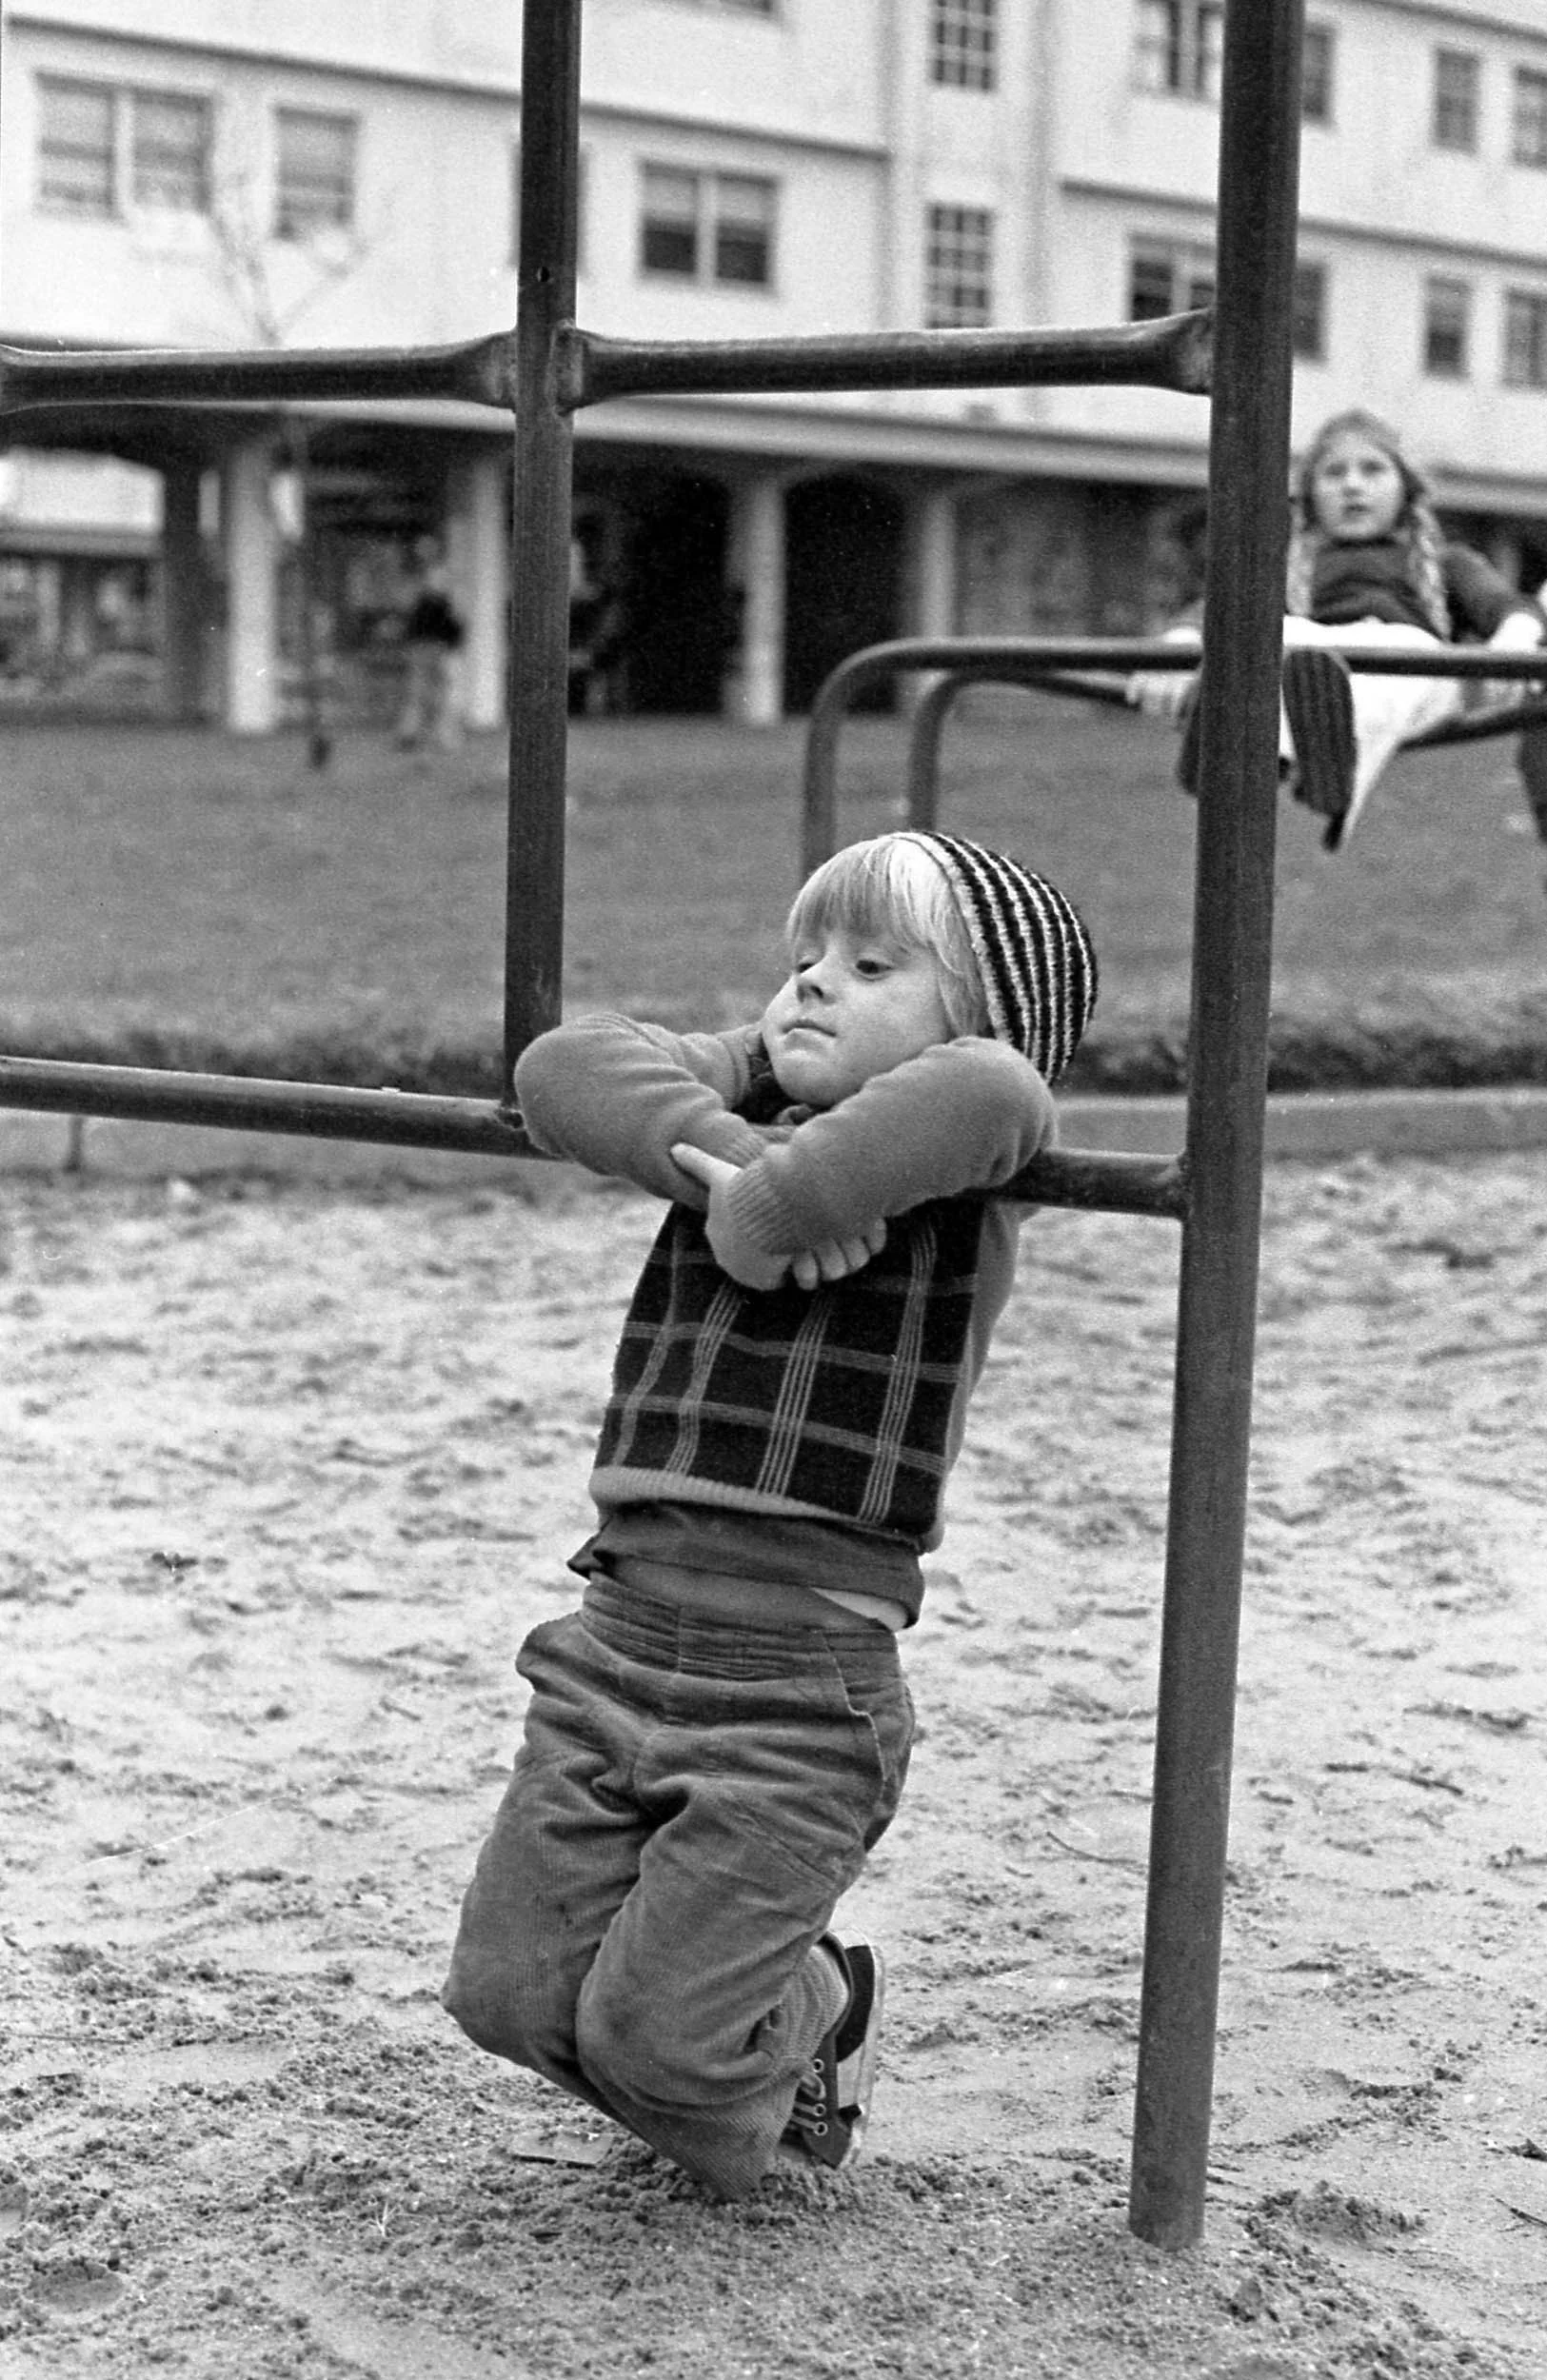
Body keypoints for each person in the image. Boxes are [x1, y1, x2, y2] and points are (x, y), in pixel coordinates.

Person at [442, 830, 1099, 2201]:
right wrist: (739, 1142)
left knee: (657, 2044)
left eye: (868, 967)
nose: (808, 984)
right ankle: (771, 2009)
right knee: (506, 1996)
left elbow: (994, 1080)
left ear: (974, 1016)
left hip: (796, 1697)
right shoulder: (727, 1144)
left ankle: (812, 2022)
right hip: (610, 1650)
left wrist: (775, 1207)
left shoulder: (968, 1155)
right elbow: (559, 1067)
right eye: (799, 960)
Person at [1127, 408, 1547, 849]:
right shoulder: (1286, 568)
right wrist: (1179, 647)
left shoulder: (1446, 563)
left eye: (1372, 470)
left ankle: (1314, 757)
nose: (1352, 485)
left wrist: (1515, 635)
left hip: (1411, 668)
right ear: (1310, 496)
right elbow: (1218, 612)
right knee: (1279, 634)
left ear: (1405, 489)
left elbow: (1507, 605)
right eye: (1334, 473)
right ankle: (1259, 750)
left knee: (1389, 652)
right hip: (1314, 659)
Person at [395, 535, 466, 751]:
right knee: (424, 690)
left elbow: (449, 614)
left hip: (435, 644)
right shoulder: (424, 582)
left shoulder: (435, 579)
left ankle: (434, 736)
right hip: (426, 644)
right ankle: (415, 735)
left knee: (435, 690)